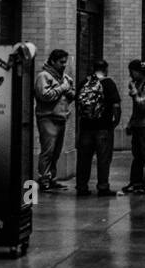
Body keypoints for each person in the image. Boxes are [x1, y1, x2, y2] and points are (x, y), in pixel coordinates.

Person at [75, 58, 121, 197]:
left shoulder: (84, 82)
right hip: (104, 127)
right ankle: (103, 187)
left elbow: (78, 103)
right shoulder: (108, 83)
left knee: (83, 159)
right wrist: (115, 122)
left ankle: (82, 187)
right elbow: (116, 106)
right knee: (103, 159)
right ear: (105, 69)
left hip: (86, 127)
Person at [34, 48, 75, 192]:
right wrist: (63, 87)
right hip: (47, 118)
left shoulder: (63, 77)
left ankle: (52, 178)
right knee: (48, 151)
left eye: (65, 62)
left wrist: (69, 90)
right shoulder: (43, 76)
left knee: (56, 152)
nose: (64, 65)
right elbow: (45, 96)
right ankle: (43, 179)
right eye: (61, 62)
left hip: (61, 117)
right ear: (53, 61)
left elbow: (69, 96)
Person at [122, 59, 145, 195]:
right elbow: (136, 110)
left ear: (137, 71)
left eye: (131, 72)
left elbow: (142, 105)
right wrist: (131, 123)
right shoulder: (140, 83)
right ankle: (136, 182)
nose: (130, 75)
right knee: (137, 154)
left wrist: (134, 93)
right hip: (139, 124)